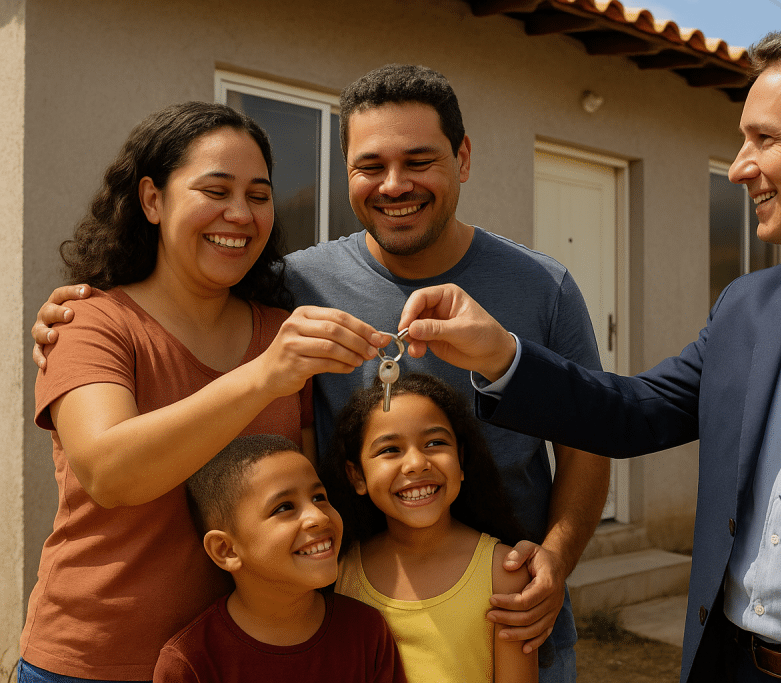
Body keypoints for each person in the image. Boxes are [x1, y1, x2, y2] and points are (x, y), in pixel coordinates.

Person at [394, 30, 781, 683]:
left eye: (765, 138)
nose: (740, 165)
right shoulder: (746, 306)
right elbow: (632, 413)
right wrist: (500, 353)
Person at [32, 64, 609, 680]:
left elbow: (588, 447)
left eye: (419, 160)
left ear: (462, 158)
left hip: (508, 623)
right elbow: (116, 449)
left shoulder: (544, 287)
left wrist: (556, 559)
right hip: (327, 633)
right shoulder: (297, 293)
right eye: (369, 166)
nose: (394, 185)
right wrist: (87, 308)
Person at [21, 102, 381, 683]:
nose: (239, 214)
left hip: (238, 664)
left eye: (259, 195)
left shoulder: (277, 329)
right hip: (97, 663)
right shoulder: (91, 322)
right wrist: (264, 375)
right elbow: (109, 473)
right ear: (152, 200)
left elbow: (306, 500)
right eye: (215, 190)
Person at [331, 373, 538, 682]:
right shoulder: (341, 571)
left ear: (461, 459)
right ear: (357, 476)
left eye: (435, 443)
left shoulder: (503, 572)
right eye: (390, 450)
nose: (416, 463)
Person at [153, 435, 406, 683]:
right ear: (225, 550)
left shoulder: (366, 632)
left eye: (319, 497)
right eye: (284, 507)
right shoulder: (191, 662)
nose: (318, 516)